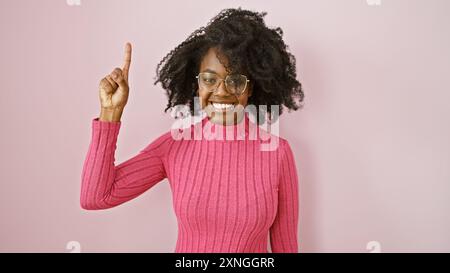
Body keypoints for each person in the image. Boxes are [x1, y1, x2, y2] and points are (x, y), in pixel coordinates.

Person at [80, 7, 304, 253]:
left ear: (251, 88)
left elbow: (286, 248)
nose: (221, 91)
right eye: (209, 79)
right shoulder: (174, 146)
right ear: (196, 83)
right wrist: (110, 113)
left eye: (236, 80)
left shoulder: (278, 153)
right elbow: (96, 197)